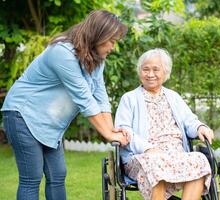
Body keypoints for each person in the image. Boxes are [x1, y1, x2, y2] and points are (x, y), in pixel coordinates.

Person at [1, 10, 129, 200]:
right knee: (32, 177)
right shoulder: (62, 53)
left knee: (57, 174)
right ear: (98, 35)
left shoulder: (96, 60)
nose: (113, 46)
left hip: (48, 124)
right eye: (112, 40)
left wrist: (112, 131)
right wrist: (108, 134)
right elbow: (84, 98)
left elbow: (100, 97)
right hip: (22, 114)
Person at [115, 48, 214, 200]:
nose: (150, 74)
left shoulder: (173, 97)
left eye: (156, 69)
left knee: (200, 160)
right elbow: (123, 131)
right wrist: (148, 148)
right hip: (143, 155)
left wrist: (200, 127)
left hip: (176, 154)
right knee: (155, 162)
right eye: (145, 69)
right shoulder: (129, 99)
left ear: (165, 73)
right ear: (139, 71)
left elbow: (190, 121)